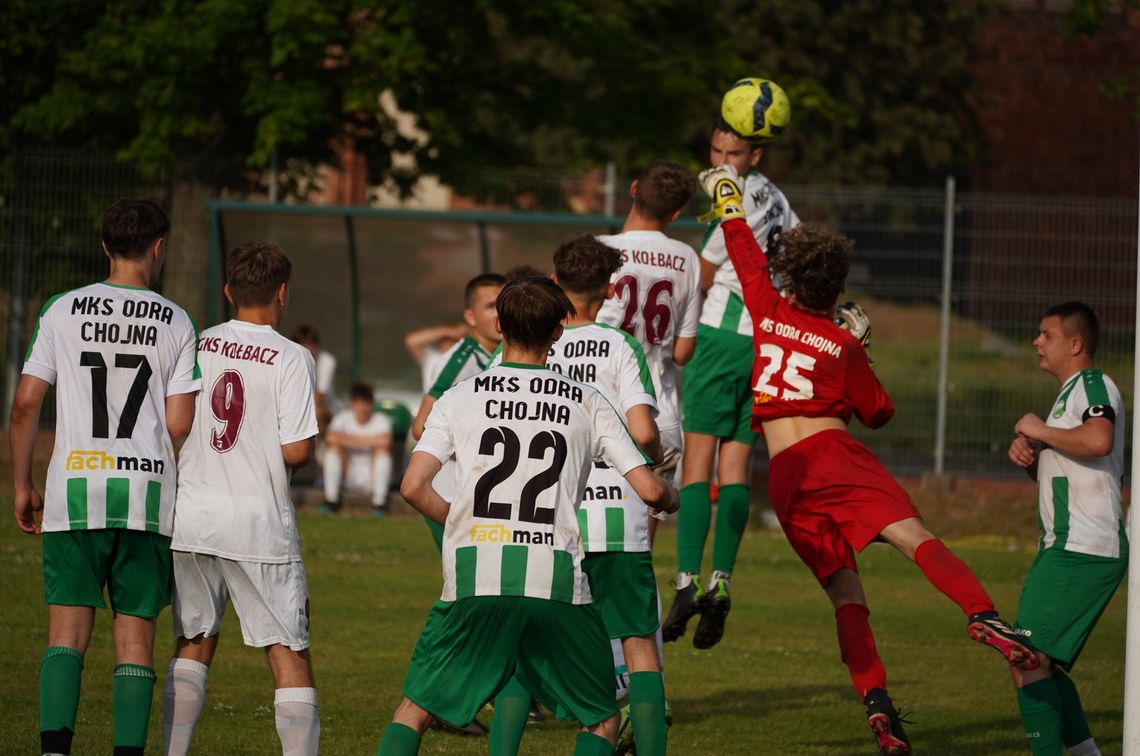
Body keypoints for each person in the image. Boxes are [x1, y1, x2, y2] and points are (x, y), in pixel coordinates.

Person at [699, 165, 1039, 755]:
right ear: (836, 286)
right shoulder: (845, 342)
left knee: (846, 595)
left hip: (783, 477)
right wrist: (864, 350)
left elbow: (745, 254)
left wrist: (729, 198)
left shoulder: (767, 308)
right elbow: (878, 413)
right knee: (914, 538)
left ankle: (878, 709)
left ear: (791, 277)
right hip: (832, 457)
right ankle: (982, 615)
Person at [376, 275, 680, 756]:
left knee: (413, 710)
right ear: (558, 332)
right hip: (555, 580)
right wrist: (668, 497)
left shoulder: (460, 397)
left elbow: (412, 486)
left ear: (499, 325)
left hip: (475, 576)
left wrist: (462, 518)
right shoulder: (587, 400)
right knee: (601, 718)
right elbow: (646, 487)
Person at [8, 198, 201, 755]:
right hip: (145, 497)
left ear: (104, 247)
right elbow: (179, 422)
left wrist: (23, 484)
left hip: (74, 491)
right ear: (159, 247)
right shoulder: (177, 320)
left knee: (65, 636)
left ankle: (53, 752)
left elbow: (25, 405)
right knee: (135, 638)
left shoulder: (62, 309)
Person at [488, 236, 668, 755]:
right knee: (638, 648)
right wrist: (647, 463)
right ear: (611, 290)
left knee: (525, 648)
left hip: (544, 517)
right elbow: (644, 430)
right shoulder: (619, 345)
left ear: (553, 282)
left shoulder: (530, 341)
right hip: (616, 514)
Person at [164, 243, 321, 755]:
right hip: (257, 521)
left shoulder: (199, 341)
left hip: (192, 514)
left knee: (194, 639)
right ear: (281, 292)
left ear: (230, 291)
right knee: (288, 648)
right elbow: (296, 448)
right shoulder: (293, 356)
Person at [663, 117, 800, 650]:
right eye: (716, 151)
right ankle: (723, 581)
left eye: (734, 154)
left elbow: (702, 271)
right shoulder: (777, 199)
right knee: (737, 465)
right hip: (765, 342)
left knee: (698, 462)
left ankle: (686, 581)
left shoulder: (733, 203)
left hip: (721, 337)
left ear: (755, 156)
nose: (722, 164)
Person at [1005, 301, 1127, 756]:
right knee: (1041, 666)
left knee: (1026, 661)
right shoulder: (1069, 394)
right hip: (1066, 546)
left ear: (1075, 344)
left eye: (1046, 334)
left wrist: (1040, 429)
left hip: (1082, 548)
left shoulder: (1093, 383)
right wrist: (1032, 461)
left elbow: (1098, 440)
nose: (1037, 341)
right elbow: (1077, 471)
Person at [596, 159, 701, 469]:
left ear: (633, 189)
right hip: (659, 414)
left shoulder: (599, 249)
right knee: (648, 511)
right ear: (676, 213)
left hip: (602, 405)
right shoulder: (687, 258)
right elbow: (683, 353)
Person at [410, 272, 505, 549]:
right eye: (490, 307)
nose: (500, 313)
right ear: (470, 317)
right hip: (450, 495)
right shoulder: (461, 361)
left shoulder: (493, 355)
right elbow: (421, 427)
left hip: (474, 492)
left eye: (503, 304)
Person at [321, 383, 394, 517]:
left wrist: (346, 439)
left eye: (365, 403)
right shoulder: (342, 418)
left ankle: (379, 502)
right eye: (358, 403)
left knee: (382, 452)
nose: (362, 408)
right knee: (333, 450)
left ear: (371, 404)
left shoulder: (381, 420)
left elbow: (385, 442)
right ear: (352, 403)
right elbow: (330, 438)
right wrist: (370, 442)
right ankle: (331, 500)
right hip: (347, 474)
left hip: (371, 477)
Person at [292, 325, 337, 433]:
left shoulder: (327, 360)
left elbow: (319, 397)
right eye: (304, 344)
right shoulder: (290, 358)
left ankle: (319, 444)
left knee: (317, 411)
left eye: (311, 344)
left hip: (326, 408)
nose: (308, 348)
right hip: (297, 404)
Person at [403, 323, 467, 395]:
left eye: (455, 339)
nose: (449, 342)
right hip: (431, 404)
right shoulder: (431, 357)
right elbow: (411, 341)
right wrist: (446, 331)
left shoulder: (467, 358)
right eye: (446, 338)